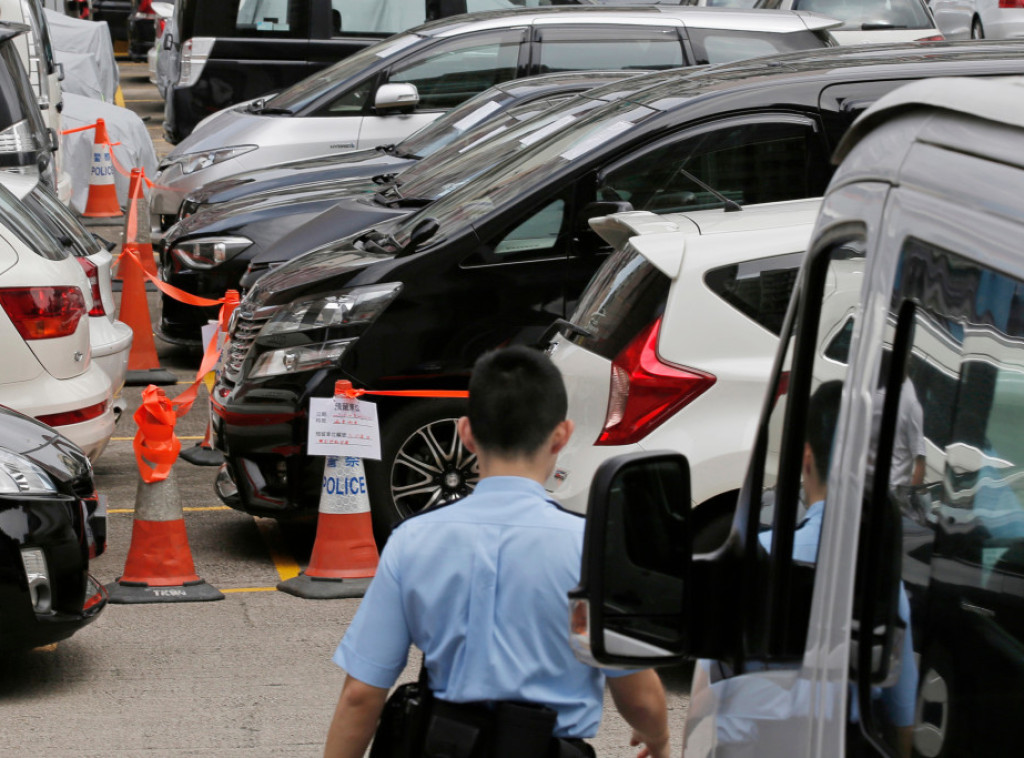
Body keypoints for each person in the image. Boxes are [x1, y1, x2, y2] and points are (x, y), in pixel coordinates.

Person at [323, 346, 671, 758]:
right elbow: (640, 697)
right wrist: (658, 737)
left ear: (467, 433)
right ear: (562, 435)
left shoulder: (411, 541)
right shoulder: (590, 549)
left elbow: (361, 696)